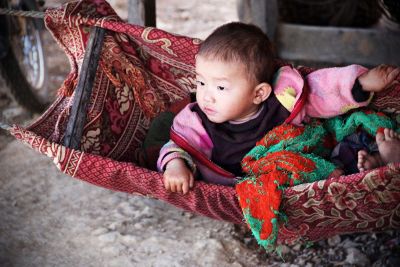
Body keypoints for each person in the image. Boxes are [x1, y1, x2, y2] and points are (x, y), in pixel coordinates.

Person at [157, 22, 400, 194]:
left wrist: (362, 83)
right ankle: (371, 165)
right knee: (322, 172)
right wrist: (176, 165)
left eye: (220, 88)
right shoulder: (198, 121)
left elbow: (321, 89)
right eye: (201, 82)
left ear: (259, 93)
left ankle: (380, 159)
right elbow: (178, 145)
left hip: (304, 169)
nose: (205, 96)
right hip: (254, 183)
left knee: (347, 139)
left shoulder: (283, 99)